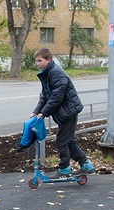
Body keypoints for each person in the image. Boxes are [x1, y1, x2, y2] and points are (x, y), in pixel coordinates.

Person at [30, 48, 94, 177]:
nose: (37, 64)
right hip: (64, 112)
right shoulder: (48, 74)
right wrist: (36, 111)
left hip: (69, 112)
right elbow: (45, 96)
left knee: (62, 141)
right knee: (69, 141)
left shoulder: (56, 73)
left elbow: (57, 97)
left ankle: (65, 168)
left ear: (49, 60)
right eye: (36, 61)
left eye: (40, 60)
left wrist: (44, 112)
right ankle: (86, 165)